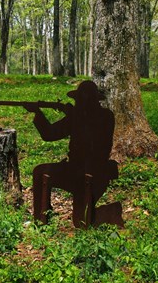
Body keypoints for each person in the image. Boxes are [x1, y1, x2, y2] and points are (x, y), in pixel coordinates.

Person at [23, 80, 123, 228]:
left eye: (84, 100)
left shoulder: (106, 116)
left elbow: (92, 131)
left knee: (82, 223)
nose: (82, 103)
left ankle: (112, 211)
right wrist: (38, 113)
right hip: (73, 171)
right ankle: (40, 220)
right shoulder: (75, 117)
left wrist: (73, 116)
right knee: (40, 172)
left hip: (96, 175)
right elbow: (49, 134)